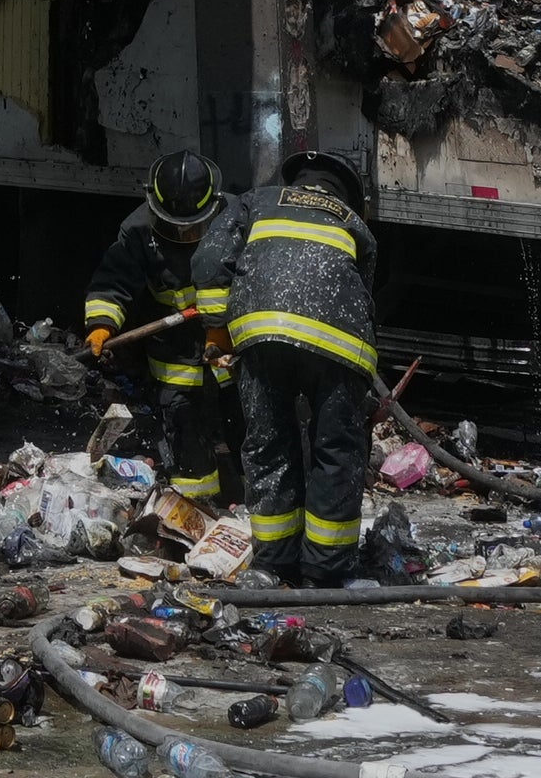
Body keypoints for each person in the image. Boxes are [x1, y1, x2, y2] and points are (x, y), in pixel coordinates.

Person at [213, 149, 382, 585]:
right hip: (339, 345)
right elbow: (363, 298)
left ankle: (272, 565)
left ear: (294, 182)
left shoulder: (256, 199)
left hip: (260, 333)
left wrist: (216, 328)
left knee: (268, 444)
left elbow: (211, 260)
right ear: (345, 193)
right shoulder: (355, 224)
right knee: (336, 452)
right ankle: (325, 572)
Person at [82, 148, 238, 503]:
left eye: (194, 228)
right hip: (176, 351)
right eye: (175, 228)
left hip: (230, 345)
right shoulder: (138, 230)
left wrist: (226, 329)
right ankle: (196, 510)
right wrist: (102, 322)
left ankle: (258, 507)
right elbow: (113, 280)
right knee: (185, 434)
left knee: (248, 428)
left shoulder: (236, 219)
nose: (185, 236)